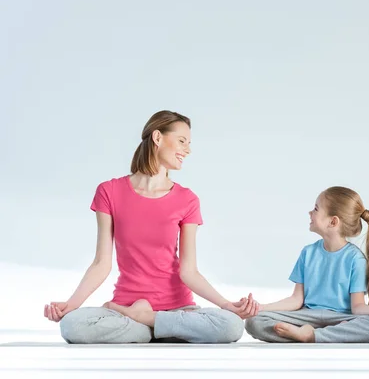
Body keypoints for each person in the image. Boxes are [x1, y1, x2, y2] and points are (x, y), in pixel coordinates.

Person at [43, 110, 258, 344]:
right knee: (72, 326)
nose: (188, 150)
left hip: (177, 309)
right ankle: (153, 326)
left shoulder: (187, 200)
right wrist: (72, 305)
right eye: (182, 141)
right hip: (125, 306)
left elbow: (189, 271)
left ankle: (146, 322)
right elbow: (101, 263)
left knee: (231, 327)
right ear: (157, 138)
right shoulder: (109, 191)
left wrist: (226, 305)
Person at [245, 186, 369, 343]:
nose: (310, 213)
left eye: (316, 209)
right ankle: (327, 334)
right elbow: (296, 300)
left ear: (333, 221)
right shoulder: (308, 252)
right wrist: (261, 307)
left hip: (341, 317)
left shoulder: (355, 259)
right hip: (307, 315)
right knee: (254, 321)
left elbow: (357, 307)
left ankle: (311, 335)